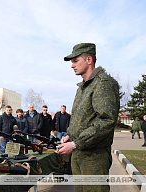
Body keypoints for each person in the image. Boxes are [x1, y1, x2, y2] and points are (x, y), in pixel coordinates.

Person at [56, 43, 120, 192]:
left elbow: (106, 121)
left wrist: (75, 144)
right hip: (79, 154)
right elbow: (82, 119)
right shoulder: (82, 88)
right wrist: (70, 136)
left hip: (94, 157)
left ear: (89, 59)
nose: (72, 66)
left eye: (75, 61)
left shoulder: (103, 83)